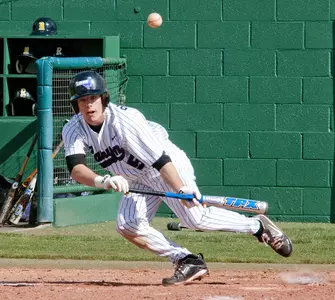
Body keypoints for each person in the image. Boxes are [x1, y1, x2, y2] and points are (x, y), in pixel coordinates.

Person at [62, 71, 293, 286]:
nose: (89, 104)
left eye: (93, 98)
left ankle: (256, 225)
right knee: (128, 225)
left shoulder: (125, 121)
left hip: (166, 166)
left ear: (104, 98)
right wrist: (103, 181)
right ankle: (187, 260)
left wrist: (181, 188)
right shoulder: (74, 128)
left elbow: (160, 160)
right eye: (82, 100)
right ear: (76, 104)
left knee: (196, 218)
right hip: (135, 178)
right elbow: (76, 168)